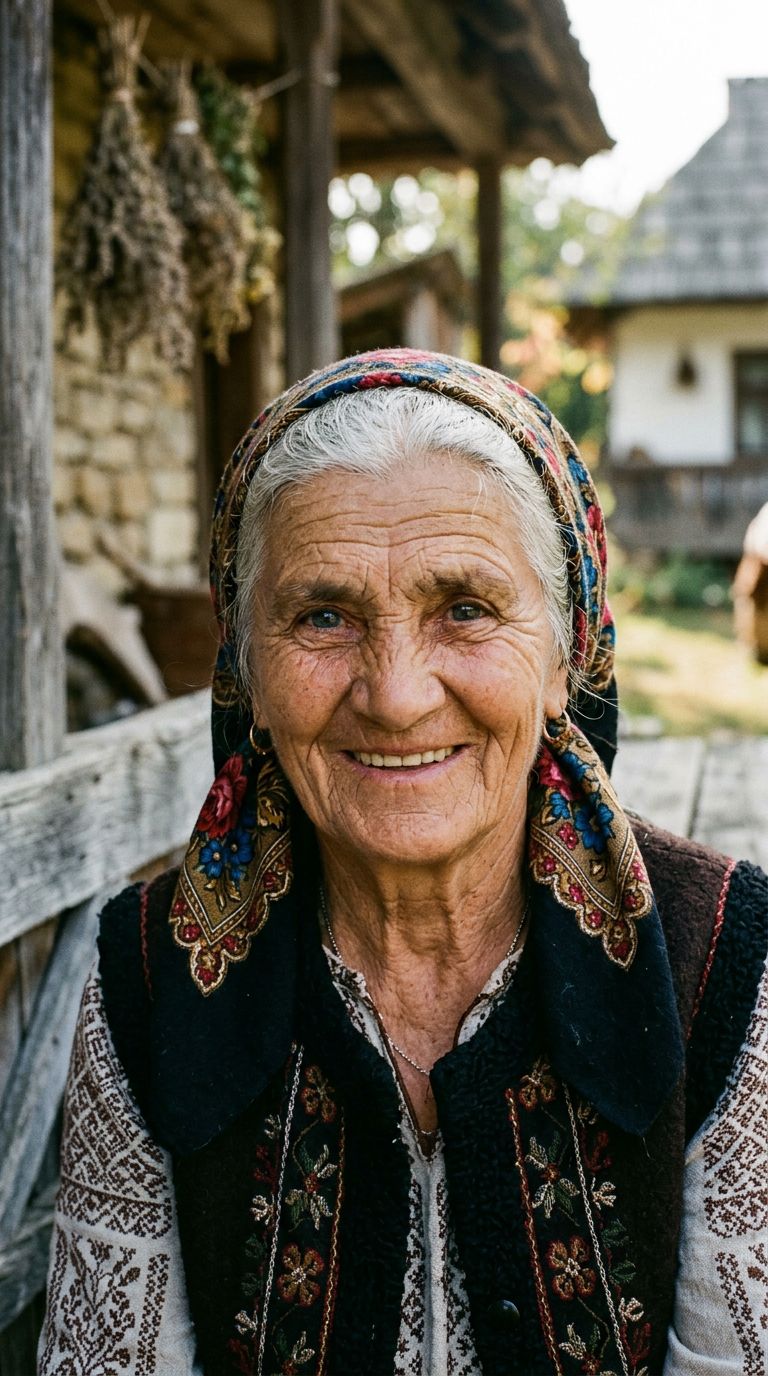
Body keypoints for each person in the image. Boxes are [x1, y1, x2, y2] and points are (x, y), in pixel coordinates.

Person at [40, 350, 767, 1376]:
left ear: (567, 653)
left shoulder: (721, 959)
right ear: (245, 664)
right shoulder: (148, 979)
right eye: (322, 615)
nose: (395, 693)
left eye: (465, 607)